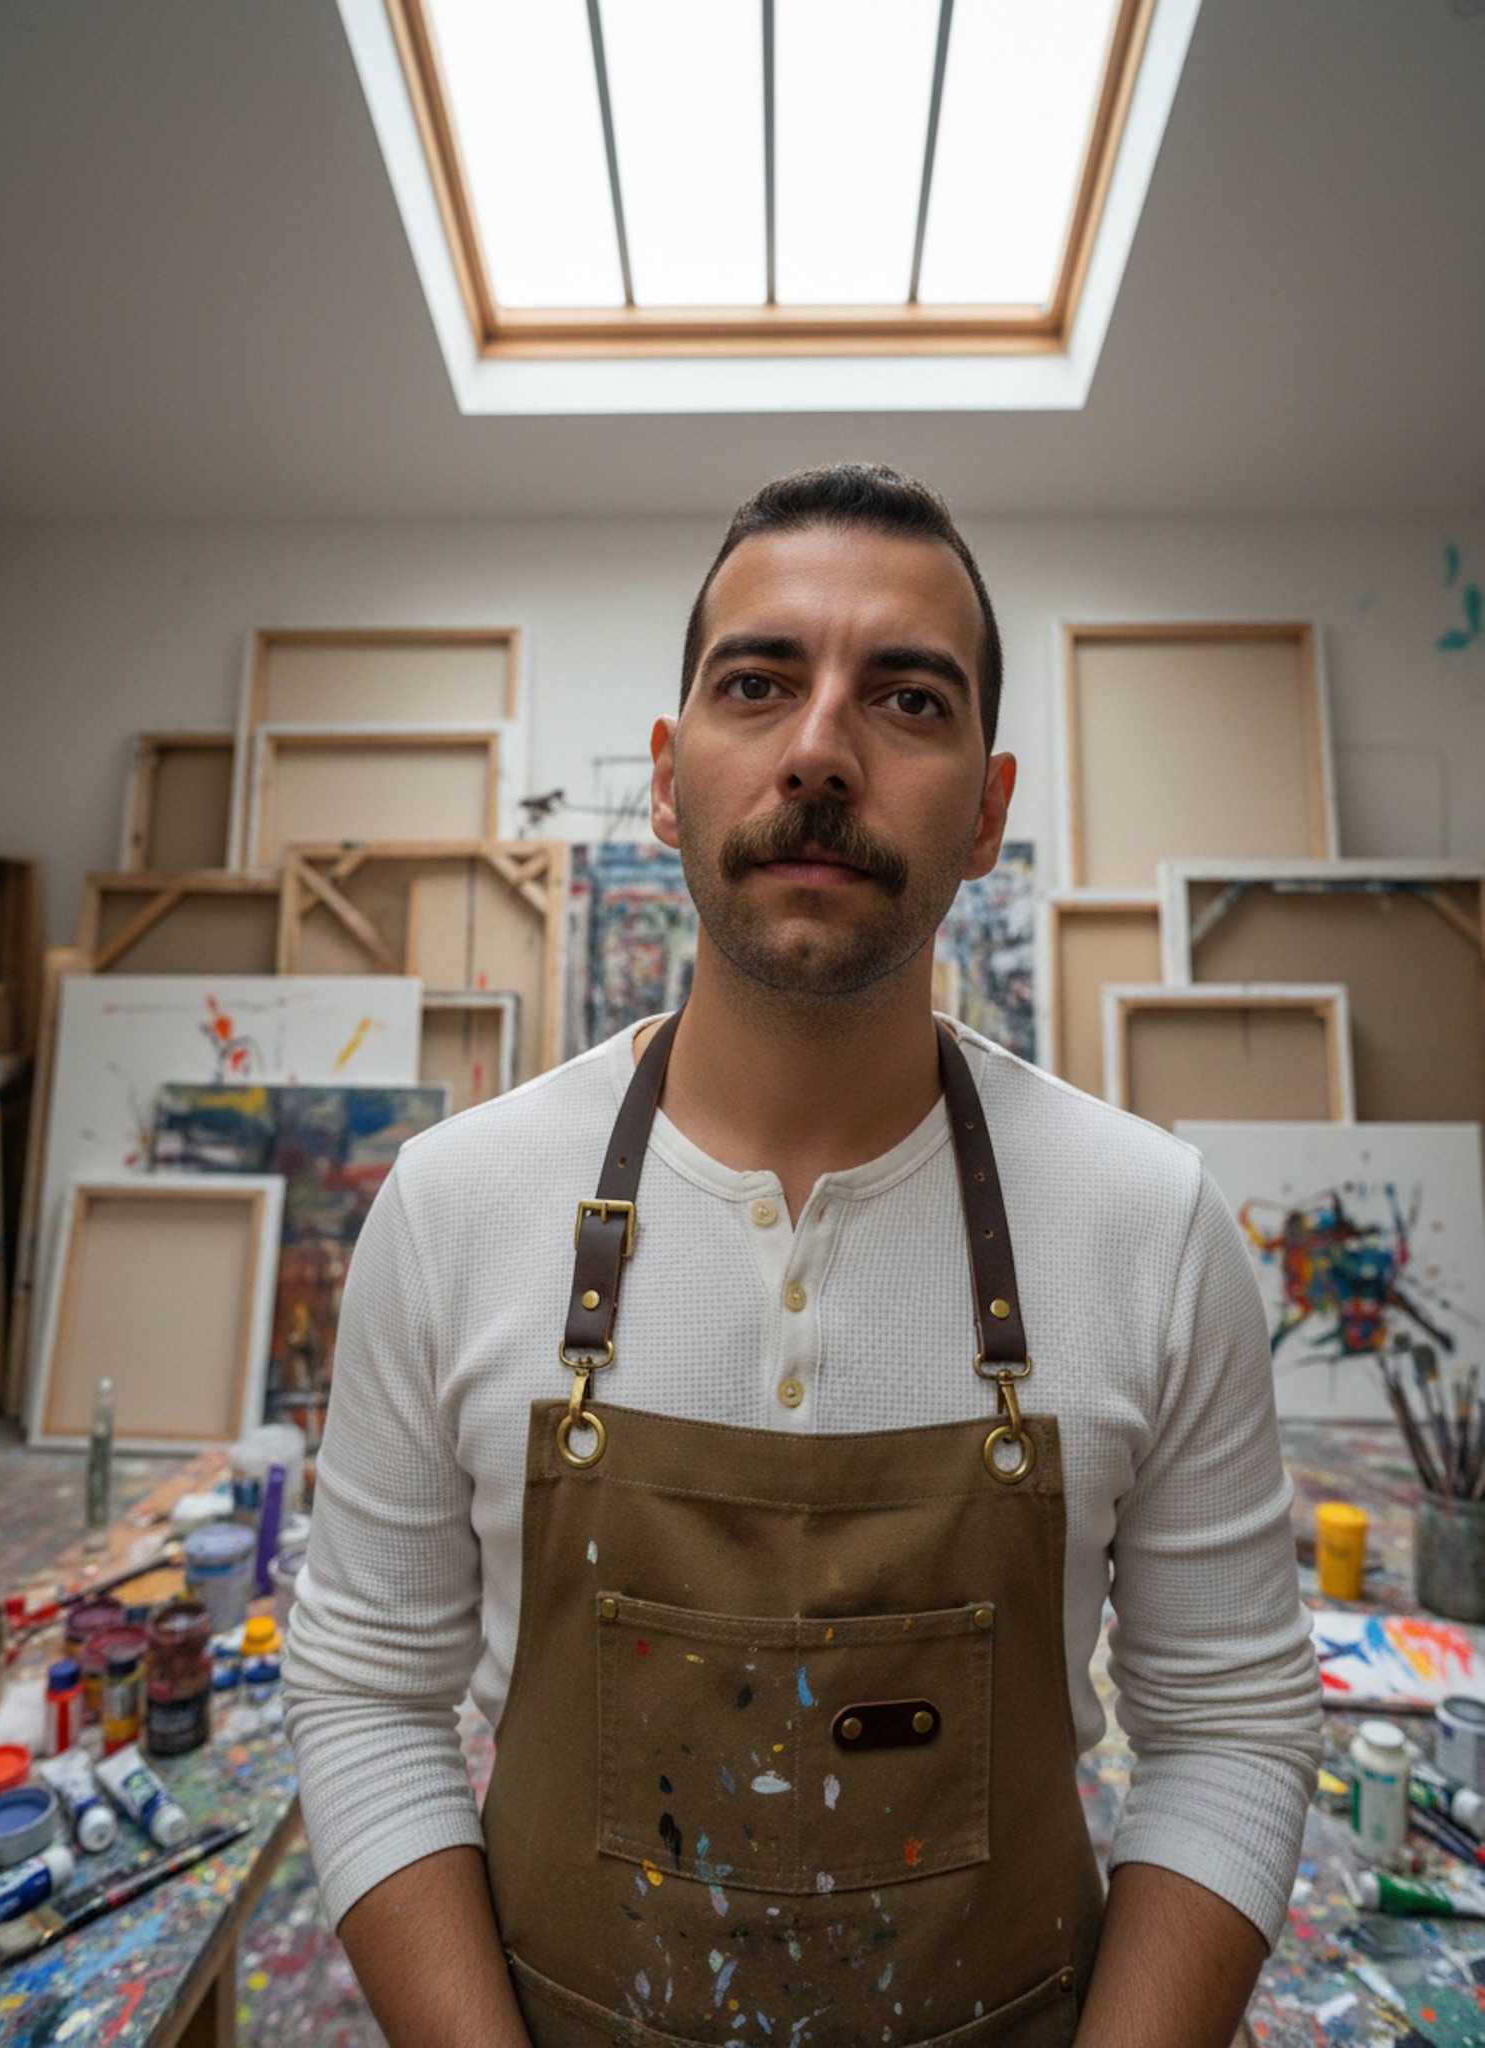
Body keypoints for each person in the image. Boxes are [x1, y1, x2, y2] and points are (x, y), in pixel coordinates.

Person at [284, 464, 1322, 2048]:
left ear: (986, 809)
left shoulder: (1150, 1224)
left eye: (908, 698)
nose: (820, 751)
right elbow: (364, 1693)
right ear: (667, 775)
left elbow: (1233, 1729)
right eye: (757, 683)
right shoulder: (455, 1208)